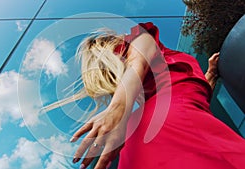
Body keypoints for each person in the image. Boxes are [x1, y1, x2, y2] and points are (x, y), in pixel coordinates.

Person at [42, 22, 245, 169]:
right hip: (169, 127)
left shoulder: (153, 78)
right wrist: (117, 110)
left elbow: (195, 101)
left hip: (145, 139)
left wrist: (210, 74)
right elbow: (137, 64)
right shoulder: (138, 40)